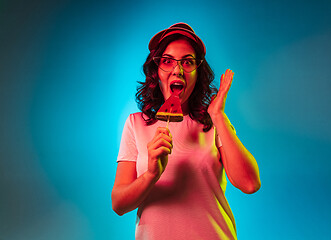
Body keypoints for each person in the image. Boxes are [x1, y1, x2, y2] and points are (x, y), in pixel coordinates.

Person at [112, 23, 261, 240]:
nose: (177, 70)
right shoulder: (135, 124)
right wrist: (151, 174)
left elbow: (249, 183)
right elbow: (118, 204)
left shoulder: (213, 123)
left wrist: (218, 116)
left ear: (198, 73)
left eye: (188, 62)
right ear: (156, 71)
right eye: (167, 61)